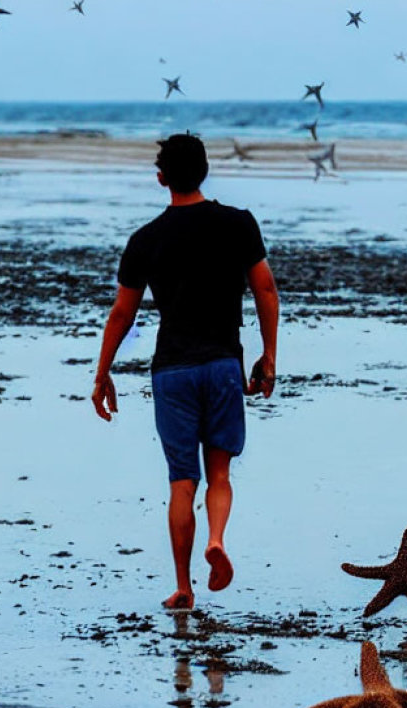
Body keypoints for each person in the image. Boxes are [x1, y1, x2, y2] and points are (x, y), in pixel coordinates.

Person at [91, 133, 279, 610]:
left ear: (161, 179)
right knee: (219, 473)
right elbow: (267, 290)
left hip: (172, 369)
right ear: (206, 171)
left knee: (181, 482)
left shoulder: (145, 240)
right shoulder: (238, 224)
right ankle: (216, 539)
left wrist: (102, 373)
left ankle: (183, 587)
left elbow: (121, 314)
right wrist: (269, 356)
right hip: (221, 365)